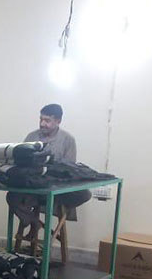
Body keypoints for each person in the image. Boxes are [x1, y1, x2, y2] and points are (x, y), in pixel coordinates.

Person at [6, 103, 90, 250]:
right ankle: (34, 222)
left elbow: (68, 169)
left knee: (85, 193)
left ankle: (36, 222)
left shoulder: (67, 139)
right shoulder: (31, 137)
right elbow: (20, 162)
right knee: (12, 197)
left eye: (47, 120)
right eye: (41, 119)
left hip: (55, 185)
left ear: (58, 121)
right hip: (33, 183)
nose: (42, 124)